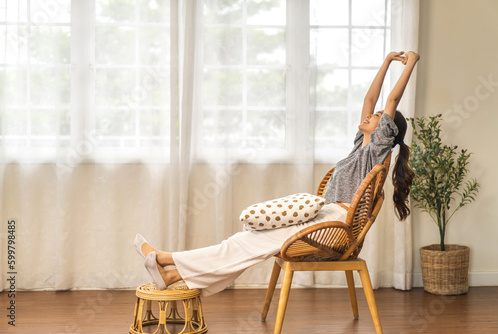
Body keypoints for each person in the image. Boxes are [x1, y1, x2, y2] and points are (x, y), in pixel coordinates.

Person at [134, 51, 419, 296]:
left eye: (379, 116)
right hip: (325, 217)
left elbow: (392, 101)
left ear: (387, 129)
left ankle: (165, 258)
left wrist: (410, 63)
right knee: (244, 243)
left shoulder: (377, 152)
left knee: (245, 244)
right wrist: (386, 62)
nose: (370, 115)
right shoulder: (361, 145)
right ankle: (172, 274)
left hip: (335, 224)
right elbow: (370, 99)